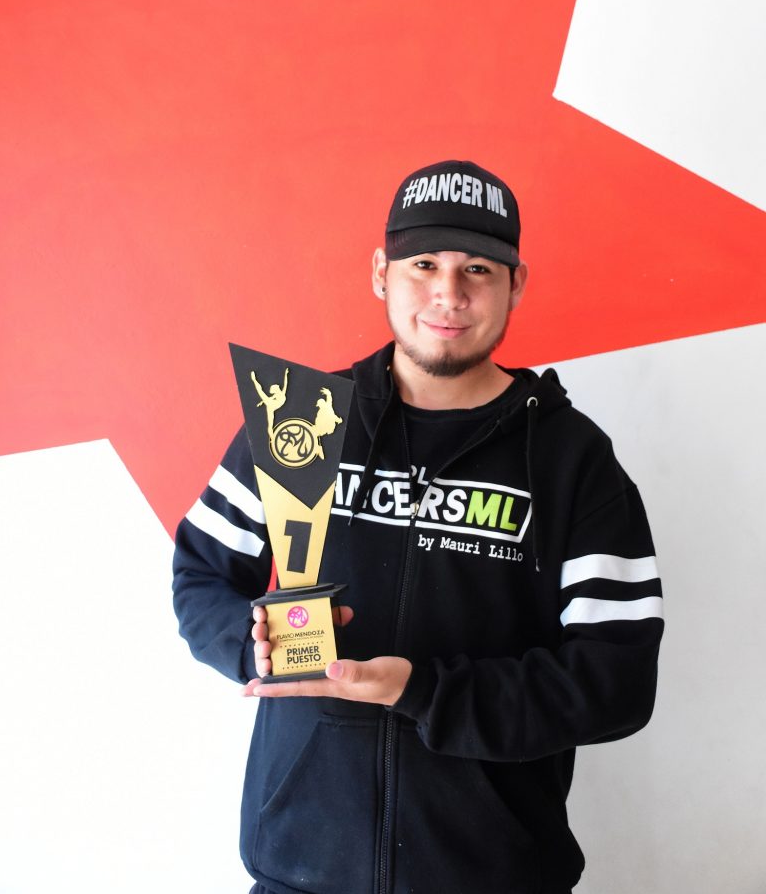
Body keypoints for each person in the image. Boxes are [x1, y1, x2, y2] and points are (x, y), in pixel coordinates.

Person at [172, 160, 664, 894]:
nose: (449, 293)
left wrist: (428, 692)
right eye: (424, 264)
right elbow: (202, 575)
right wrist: (253, 646)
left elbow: (617, 679)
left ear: (516, 284)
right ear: (382, 273)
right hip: (297, 871)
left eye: (478, 270)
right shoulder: (301, 421)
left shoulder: (573, 459)